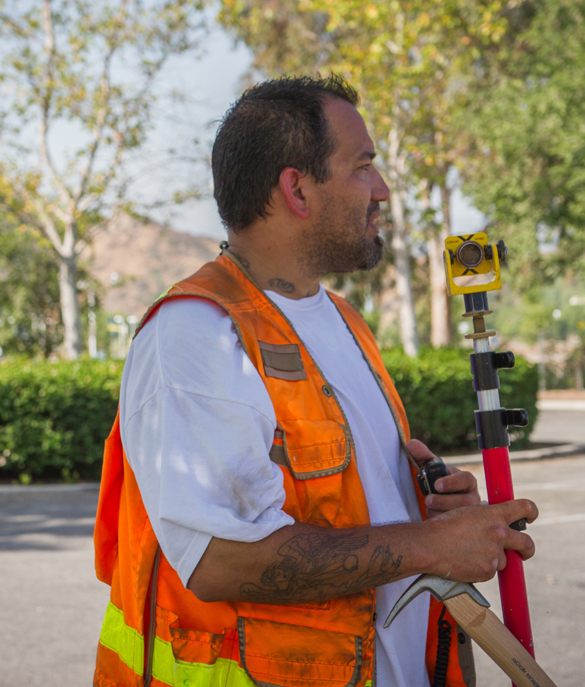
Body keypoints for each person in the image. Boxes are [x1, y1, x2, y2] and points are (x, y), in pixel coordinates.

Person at [93, 75, 538, 687]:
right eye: (363, 167)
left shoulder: (343, 321)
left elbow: (348, 506)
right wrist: (429, 548)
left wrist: (429, 510)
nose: (381, 190)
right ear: (296, 189)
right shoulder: (195, 335)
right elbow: (220, 560)